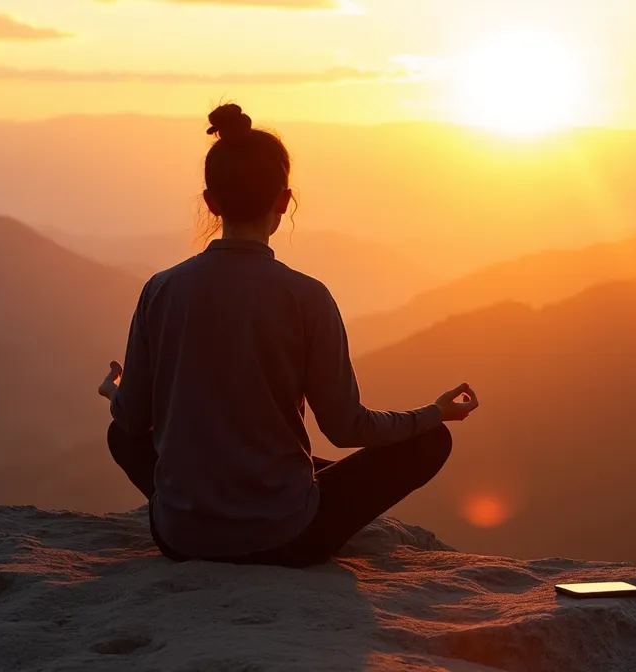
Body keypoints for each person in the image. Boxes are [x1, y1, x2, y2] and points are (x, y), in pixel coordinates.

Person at [99, 103, 479, 568]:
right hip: (287, 540)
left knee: (122, 434)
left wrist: (113, 392)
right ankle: (285, 493)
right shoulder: (307, 298)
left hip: (179, 538)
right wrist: (431, 413)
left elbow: (133, 420)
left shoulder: (161, 290)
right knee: (430, 440)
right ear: (284, 200)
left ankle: (206, 508)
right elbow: (346, 428)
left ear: (210, 201)